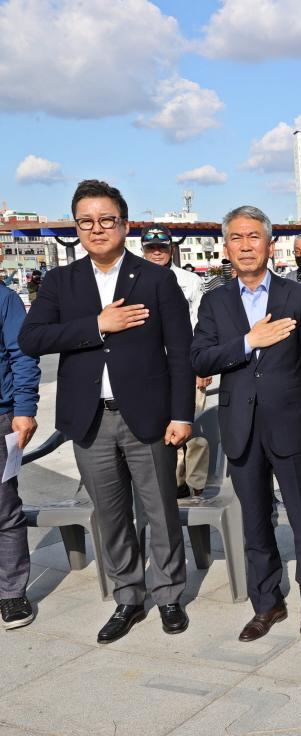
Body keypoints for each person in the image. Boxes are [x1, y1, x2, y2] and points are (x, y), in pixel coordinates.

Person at [19, 179, 193, 644]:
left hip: (149, 418)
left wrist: (182, 414)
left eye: (106, 220)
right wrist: (96, 325)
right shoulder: (60, 282)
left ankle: (170, 594)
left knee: (160, 510)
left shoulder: (156, 278)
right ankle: (129, 597)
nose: (97, 229)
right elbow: (32, 339)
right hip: (90, 419)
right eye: (86, 222)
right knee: (111, 513)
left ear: (124, 223)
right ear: (77, 227)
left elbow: (180, 351)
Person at [190, 206, 301, 642]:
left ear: (271, 245)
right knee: (254, 520)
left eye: (254, 237)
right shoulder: (215, 301)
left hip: (293, 423)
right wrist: (250, 341)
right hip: (241, 425)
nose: (246, 245)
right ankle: (266, 603)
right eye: (237, 237)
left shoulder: (296, 296)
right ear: (226, 247)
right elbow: (201, 358)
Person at [139, 225, 210, 499]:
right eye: (150, 247)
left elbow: (201, 326)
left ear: (172, 249)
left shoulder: (189, 281)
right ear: (143, 249)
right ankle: (173, 484)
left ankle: (197, 484)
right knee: (161, 431)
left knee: (193, 429)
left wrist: (201, 366)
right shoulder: (134, 280)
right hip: (151, 371)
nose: (157, 252)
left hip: (187, 367)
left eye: (162, 247)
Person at [0, 283, 39, 630]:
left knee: (4, 510)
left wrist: (24, 408)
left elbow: (22, 353)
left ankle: (12, 592)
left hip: (0, 416)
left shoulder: (4, 297)